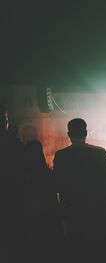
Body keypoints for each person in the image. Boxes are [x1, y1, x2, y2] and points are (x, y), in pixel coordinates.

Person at [53, 118, 106, 256]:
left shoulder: (61, 156)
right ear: (86, 132)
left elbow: (58, 183)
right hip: (96, 208)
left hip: (73, 209)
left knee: (76, 249)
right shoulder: (100, 152)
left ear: (69, 134)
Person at [0, 104, 26, 260]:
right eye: (4, 119)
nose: (5, 122)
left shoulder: (11, 141)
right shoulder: (11, 142)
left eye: (5, 119)